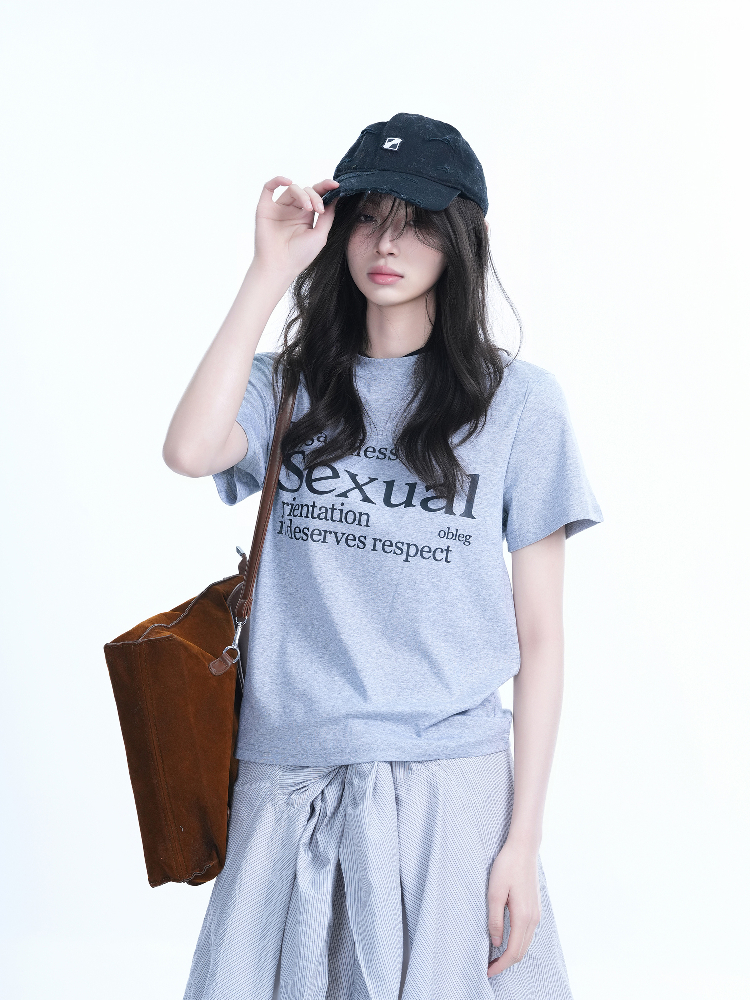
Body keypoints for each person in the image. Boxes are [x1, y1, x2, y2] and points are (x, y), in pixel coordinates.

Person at [163, 112, 602, 1000]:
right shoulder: (289, 386)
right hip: (289, 776)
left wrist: (522, 840)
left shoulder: (520, 405)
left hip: (449, 788)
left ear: (460, 239)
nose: (387, 244)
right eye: (368, 218)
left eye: (417, 222)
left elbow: (542, 638)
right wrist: (267, 271)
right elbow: (189, 449)